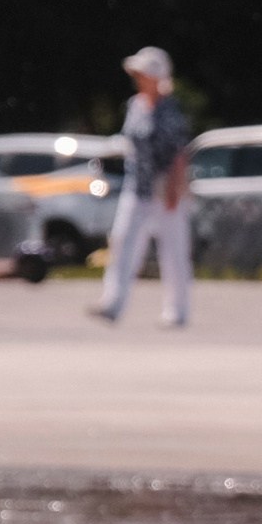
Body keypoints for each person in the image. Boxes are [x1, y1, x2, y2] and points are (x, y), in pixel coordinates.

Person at [89, 46, 193, 327]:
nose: (137, 78)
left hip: (164, 189)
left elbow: (179, 153)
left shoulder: (170, 109)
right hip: (137, 187)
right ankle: (113, 303)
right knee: (123, 243)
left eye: (143, 73)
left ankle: (178, 310)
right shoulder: (135, 106)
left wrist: (175, 187)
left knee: (172, 251)